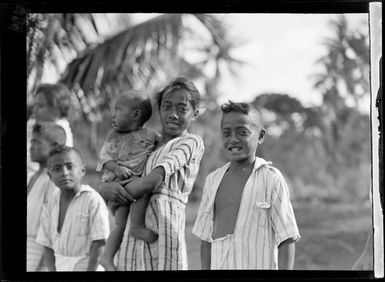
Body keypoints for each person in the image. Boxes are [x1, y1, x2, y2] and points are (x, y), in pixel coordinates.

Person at [98, 77, 205, 270]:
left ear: (195, 114)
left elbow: (152, 181)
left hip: (163, 232)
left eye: (182, 109)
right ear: (159, 109)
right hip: (132, 241)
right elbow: (114, 164)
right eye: (167, 107)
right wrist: (105, 187)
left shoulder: (189, 142)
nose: (173, 114)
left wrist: (113, 190)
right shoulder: (146, 143)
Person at [193, 101, 300, 270]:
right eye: (226, 133)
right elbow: (206, 239)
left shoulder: (271, 179)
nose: (233, 139)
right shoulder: (212, 181)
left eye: (243, 132)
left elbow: (287, 238)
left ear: (261, 135)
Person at [97, 91, 160, 271]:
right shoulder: (113, 135)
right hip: (116, 183)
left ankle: (108, 256)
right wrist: (117, 168)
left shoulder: (151, 134)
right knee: (119, 222)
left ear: (135, 115)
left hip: (136, 182)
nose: (113, 114)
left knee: (123, 219)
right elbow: (105, 157)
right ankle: (111, 253)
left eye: (118, 110)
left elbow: (164, 147)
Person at [36, 146, 110, 271]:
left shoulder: (92, 200)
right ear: (49, 175)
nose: (64, 173)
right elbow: (47, 245)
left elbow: (100, 243)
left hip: (88, 266)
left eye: (70, 166)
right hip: (60, 267)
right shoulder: (49, 203)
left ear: (82, 170)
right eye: (57, 169)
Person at [27, 122, 67, 271]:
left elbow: (50, 225)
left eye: (37, 142)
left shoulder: (53, 180)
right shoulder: (31, 177)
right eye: (31, 141)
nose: (31, 146)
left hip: (40, 248)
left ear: (54, 146)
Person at [27, 83, 74, 183]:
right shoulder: (37, 125)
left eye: (40, 106)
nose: (34, 110)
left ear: (57, 108)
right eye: (35, 105)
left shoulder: (57, 133)